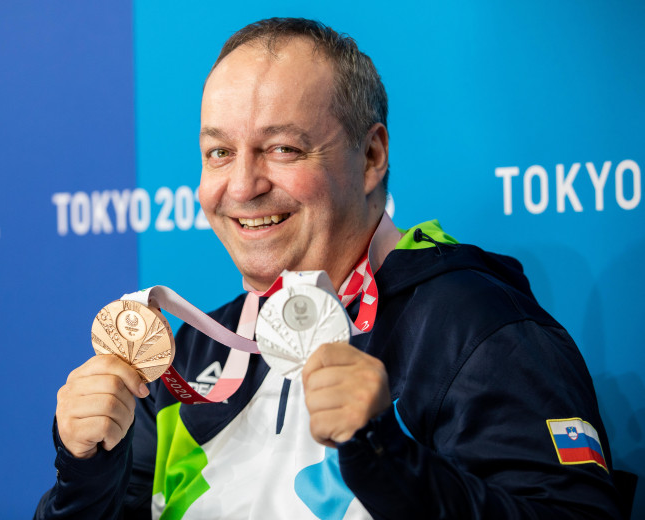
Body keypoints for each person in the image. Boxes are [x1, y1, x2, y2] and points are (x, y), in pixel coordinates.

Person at [35, 18, 622, 519]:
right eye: (220, 152)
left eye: (282, 148)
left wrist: (387, 457)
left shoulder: (472, 325)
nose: (242, 186)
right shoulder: (187, 357)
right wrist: (85, 471)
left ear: (370, 158)